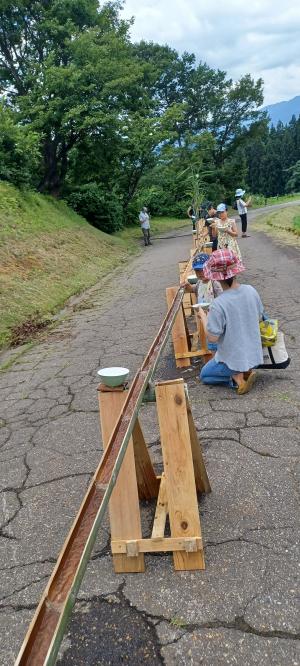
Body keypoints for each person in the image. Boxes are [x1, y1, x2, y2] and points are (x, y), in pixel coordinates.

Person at [199, 249, 264, 394]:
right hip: (254, 354)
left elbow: (213, 338)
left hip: (233, 358)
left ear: (215, 277)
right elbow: (259, 316)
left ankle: (237, 379)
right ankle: (246, 371)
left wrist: (204, 317)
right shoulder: (251, 290)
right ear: (235, 270)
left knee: (205, 375)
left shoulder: (218, 303)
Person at [184, 253, 223, 356]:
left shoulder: (215, 283)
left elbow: (222, 298)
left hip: (216, 319)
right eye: (197, 271)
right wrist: (188, 286)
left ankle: (222, 362)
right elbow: (194, 290)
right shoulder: (199, 283)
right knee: (212, 345)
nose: (200, 273)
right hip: (206, 319)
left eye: (203, 270)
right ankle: (216, 360)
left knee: (218, 343)